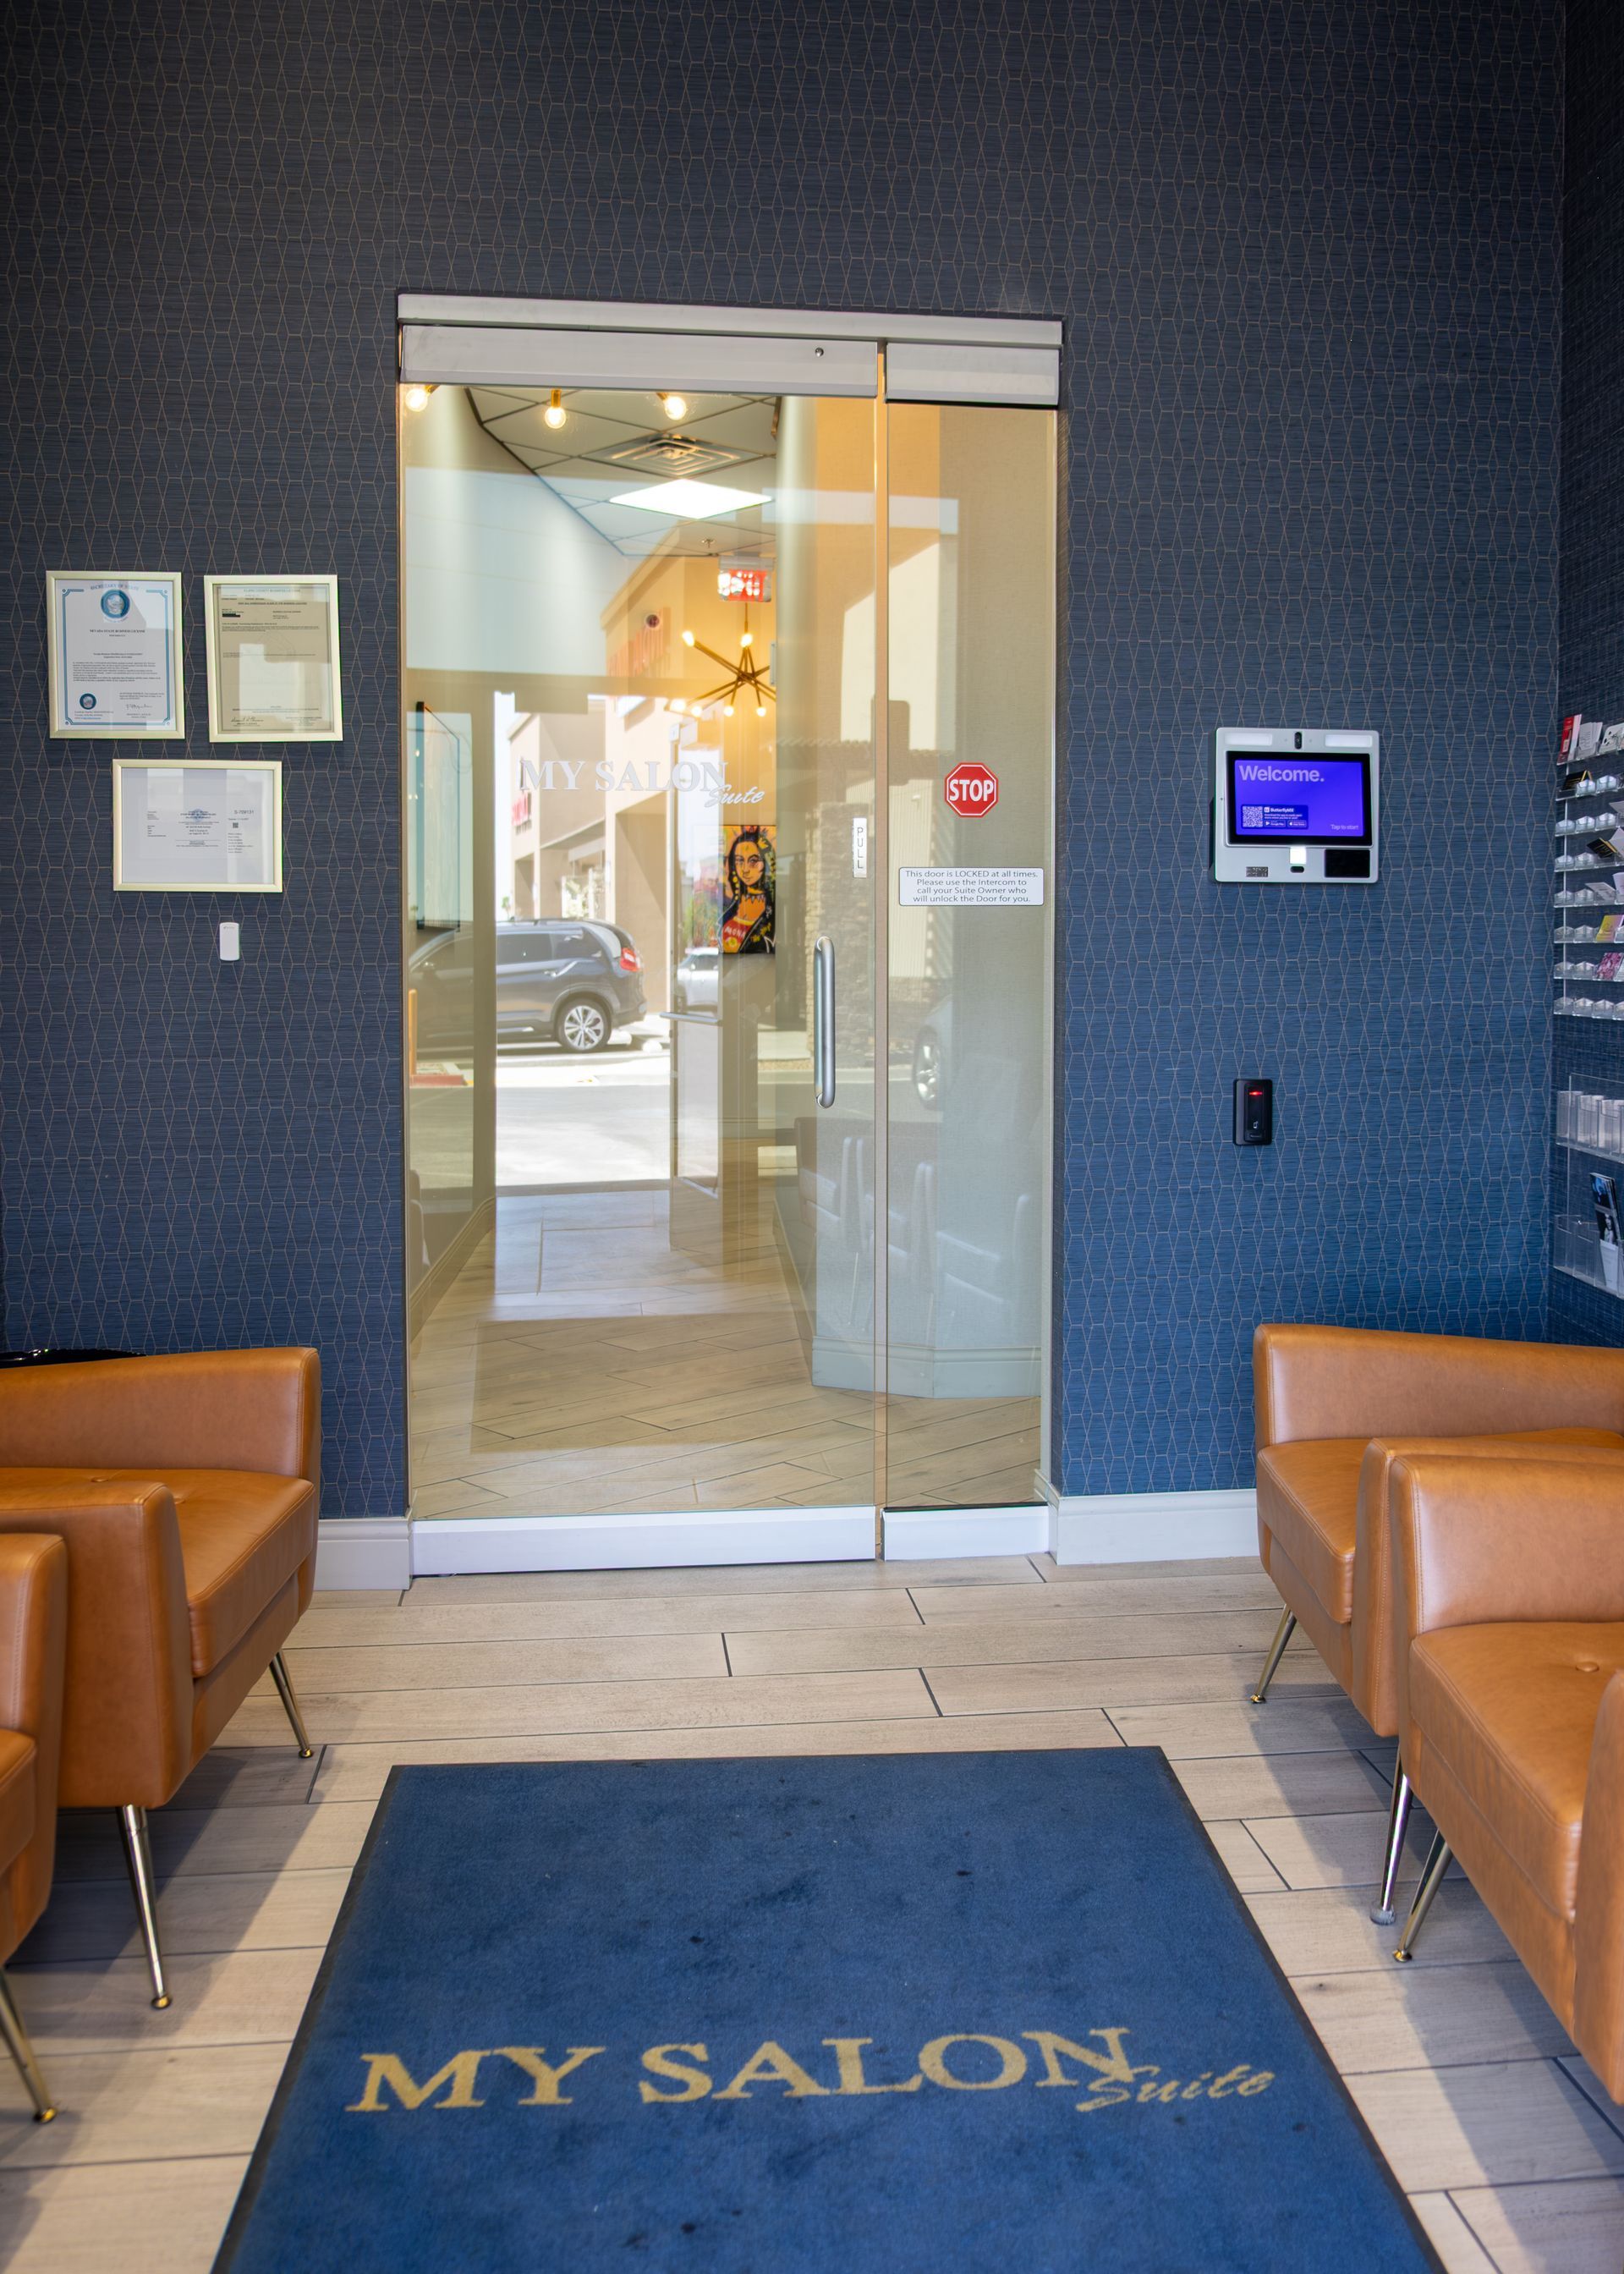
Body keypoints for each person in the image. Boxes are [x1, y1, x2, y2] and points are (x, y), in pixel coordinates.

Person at [720, 827, 775, 954]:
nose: (745, 869)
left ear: (766, 863)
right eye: (739, 861)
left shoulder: (773, 912)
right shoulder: (727, 909)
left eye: (753, 861)